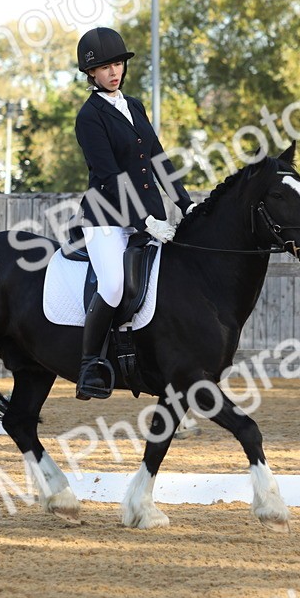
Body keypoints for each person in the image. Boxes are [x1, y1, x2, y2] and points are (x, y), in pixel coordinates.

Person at [73, 26, 195, 400]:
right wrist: (143, 221)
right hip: (108, 218)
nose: (114, 72)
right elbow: (109, 176)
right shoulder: (89, 117)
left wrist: (185, 203)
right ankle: (90, 365)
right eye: (105, 67)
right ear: (91, 73)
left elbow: (158, 159)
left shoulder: (135, 106)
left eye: (118, 64)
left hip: (151, 218)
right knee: (112, 285)